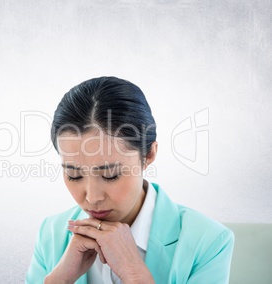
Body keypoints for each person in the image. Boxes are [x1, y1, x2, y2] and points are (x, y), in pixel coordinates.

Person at [26, 76, 234, 283]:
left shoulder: (209, 242)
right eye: (74, 175)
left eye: (110, 175)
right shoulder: (51, 233)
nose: (92, 197)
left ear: (149, 155)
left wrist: (135, 274)